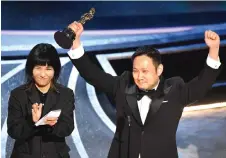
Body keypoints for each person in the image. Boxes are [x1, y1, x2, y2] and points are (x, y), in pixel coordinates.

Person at [67, 22, 222, 158]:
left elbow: (202, 85)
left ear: (159, 70)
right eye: (135, 70)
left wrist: (214, 50)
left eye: (145, 71)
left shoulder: (175, 89)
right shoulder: (123, 84)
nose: (139, 76)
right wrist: (76, 43)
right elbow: (93, 75)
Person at [7, 43, 75, 158]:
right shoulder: (18, 95)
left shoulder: (66, 94)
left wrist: (53, 125)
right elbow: (13, 131)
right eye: (38, 68)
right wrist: (31, 122)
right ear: (31, 69)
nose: (43, 74)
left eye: (48, 69)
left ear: (55, 70)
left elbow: (67, 127)